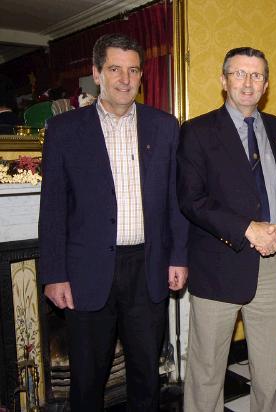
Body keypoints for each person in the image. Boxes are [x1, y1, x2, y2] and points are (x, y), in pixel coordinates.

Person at [38, 33, 189, 411]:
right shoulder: (64, 130)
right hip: (86, 270)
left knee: (145, 374)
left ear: (141, 76)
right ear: (96, 73)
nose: (125, 78)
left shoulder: (165, 126)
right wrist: (54, 273)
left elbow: (176, 199)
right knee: (88, 378)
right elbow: (53, 206)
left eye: (133, 70)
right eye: (115, 69)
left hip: (147, 267)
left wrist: (178, 257)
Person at [177, 47, 276, 412]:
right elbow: (192, 200)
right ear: (223, 81)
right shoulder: (197, 132)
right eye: (239, 74)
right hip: (219, 263)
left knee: (269, 371)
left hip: (272, 265)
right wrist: (246, 228)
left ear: (266, 84)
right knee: (207, 371)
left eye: (256, 75)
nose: (248, 82)